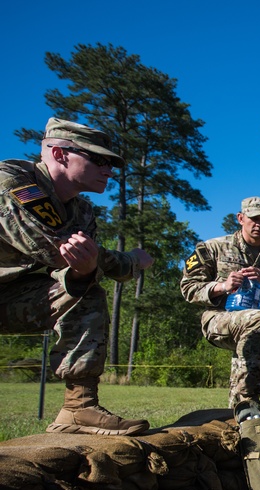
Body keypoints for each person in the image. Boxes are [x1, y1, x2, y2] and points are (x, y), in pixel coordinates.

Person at [0, 118, 153, 436]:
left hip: (9, 295)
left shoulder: (82, 211)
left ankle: (78, 409)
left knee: (83, 291)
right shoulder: (12, 179)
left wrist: (91, 267)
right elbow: (56, 249)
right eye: (98, 159)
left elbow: (79, 265)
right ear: (58, 153)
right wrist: (130, 260)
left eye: (110, 162)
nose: (108, 169)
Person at [179, 196, 260, 410]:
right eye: (253, 219)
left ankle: (241, 405)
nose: (259, 224)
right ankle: (246, 404)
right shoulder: (213, 249)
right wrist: (222, 286)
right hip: (217, 318)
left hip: (257, 325)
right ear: (241, 218)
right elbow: (188, 288)